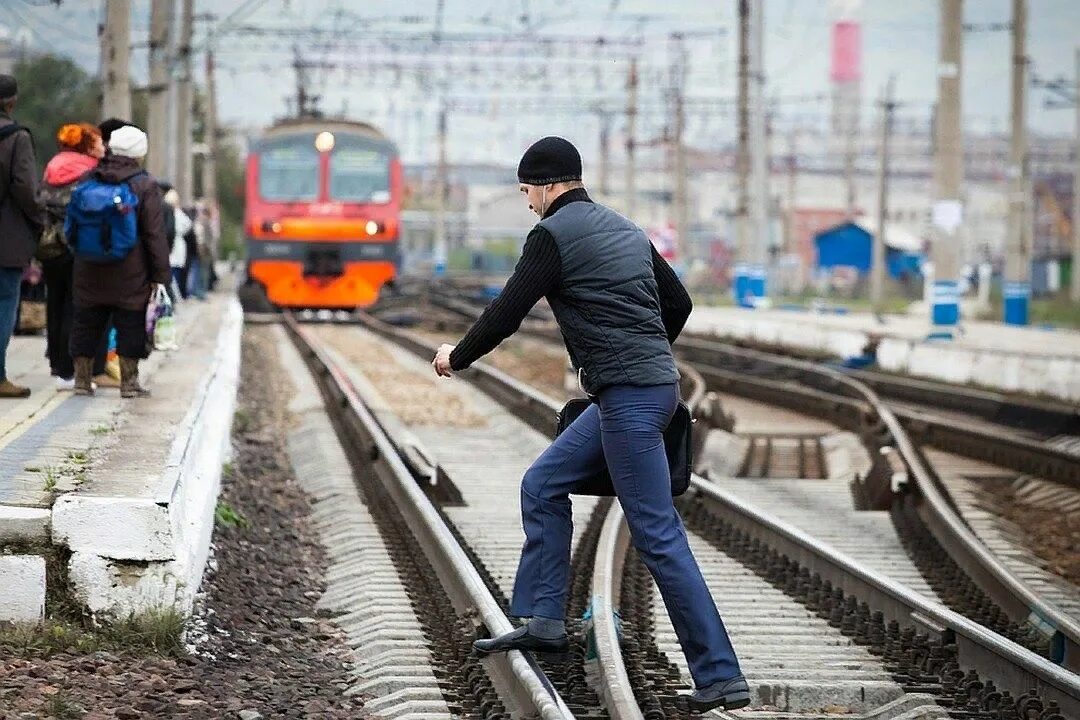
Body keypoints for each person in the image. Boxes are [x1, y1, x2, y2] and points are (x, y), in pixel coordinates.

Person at [431, 137, 750, 712]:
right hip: (642, 390)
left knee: (657, 533)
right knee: (543, 482)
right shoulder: (627, 230)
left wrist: (457, 356)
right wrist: (641, 354)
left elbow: (506, 312)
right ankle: (544, 618)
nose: (527, 201)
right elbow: (677, 303)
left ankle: (720, 674)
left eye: (527, 189)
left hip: (628, 400)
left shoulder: (550, 237)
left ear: (549, 185)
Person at [68, 125, 170, 398]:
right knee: (130, 324)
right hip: (130, 270)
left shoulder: (90, 177)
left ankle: (81, 380)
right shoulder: (144, 184)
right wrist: (161, 275)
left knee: (86, 323)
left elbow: (72, 226)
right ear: (140, 152)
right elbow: (154, 234)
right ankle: (129, 383)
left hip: (88, 266)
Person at [39, 122, 117, 391]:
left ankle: (57, 366)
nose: (101, 147)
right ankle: (73, 368)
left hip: (49, 248)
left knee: (55, 304)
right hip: (77, 246)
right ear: (85, 145)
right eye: (96, 142)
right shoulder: (90, 172)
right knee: (78, 307)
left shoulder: (51, 167)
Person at [0, 75, 45, 398]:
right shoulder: (17, 138)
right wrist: (39, 220)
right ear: (12, 102)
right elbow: (25, 189)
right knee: (4, 304)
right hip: (6, 239)